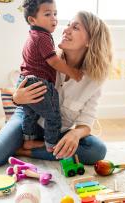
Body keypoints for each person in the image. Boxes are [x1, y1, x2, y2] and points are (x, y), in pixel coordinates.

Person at [0, 11, 112, 168]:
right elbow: (20, 88)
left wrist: (76, 133)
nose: (66, 30)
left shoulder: (95, 79)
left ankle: (24, 150)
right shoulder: (46, 57)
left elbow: (86, 121)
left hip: (58, 131)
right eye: (68, 25)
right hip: (28, 119)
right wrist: (16, 97)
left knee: (97, 150)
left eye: (75, 27)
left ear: (90, 40)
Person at [19, 0, 82, 152]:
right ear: (32, 20)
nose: (53, 18)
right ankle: (51, 145)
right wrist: (72, 72)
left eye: (55, 13)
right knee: (53, 116)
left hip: (25, 80)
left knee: (30, 114)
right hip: (39, 83)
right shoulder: (43, 36)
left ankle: (28, 139)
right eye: (47, 14)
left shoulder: (33, 35)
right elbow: (53, 61)